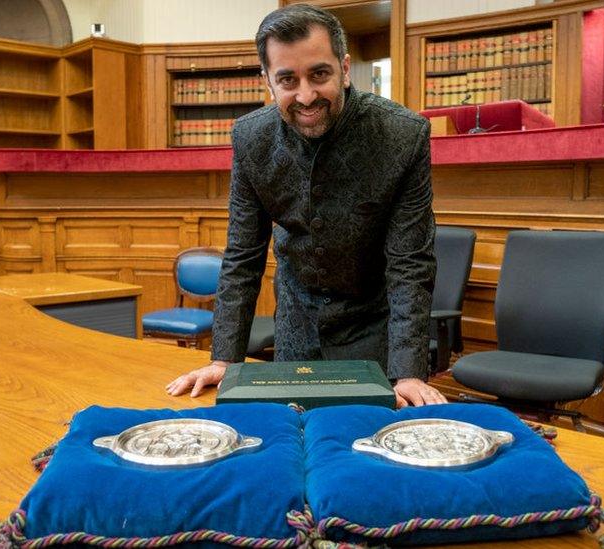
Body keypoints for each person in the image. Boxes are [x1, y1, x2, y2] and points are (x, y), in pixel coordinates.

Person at [166, 4, 446, 408]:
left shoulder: (404, 135)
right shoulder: (251, 139)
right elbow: (243, 257)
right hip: (296, 326)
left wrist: (409, 372)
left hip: (375, 330)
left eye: (319, 74)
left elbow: (410, 262)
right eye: (287, 79)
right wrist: (224, 358)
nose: (306, 95)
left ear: (345, 68)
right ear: (268, 81)